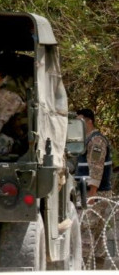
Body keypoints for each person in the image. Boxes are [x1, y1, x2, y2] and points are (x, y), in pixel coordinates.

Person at [76, 108, 113, 270]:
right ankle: (96, 268)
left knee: (86, 232)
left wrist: (91, 196)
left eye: (80, 120)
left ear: (89, 121)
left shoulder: (96, 141)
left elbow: (96, 170)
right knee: (96, 235)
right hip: (93, 192)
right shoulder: (85, 140)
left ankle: (86, 267)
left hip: (95, 193)